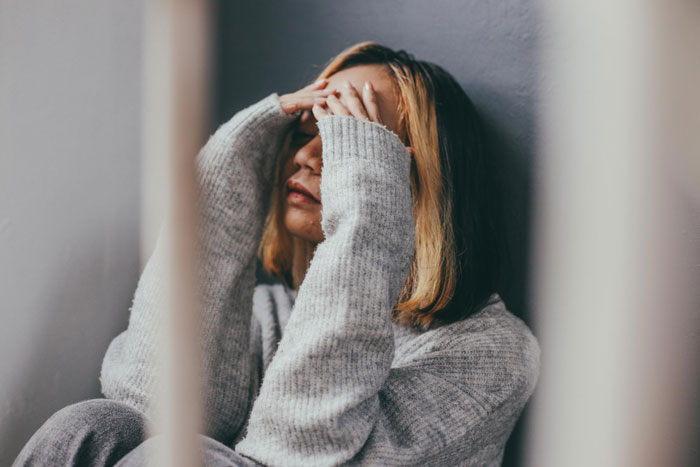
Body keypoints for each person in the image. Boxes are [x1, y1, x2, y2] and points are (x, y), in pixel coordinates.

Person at [13, 41, 540, 467]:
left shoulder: (493, 352)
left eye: (347, 139)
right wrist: (223, 173)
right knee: (95, 427)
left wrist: (365, 214)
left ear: (406, 178)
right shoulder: (273, 312)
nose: (306, 155)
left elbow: (298, 456)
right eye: (305, 131)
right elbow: (151, 403)